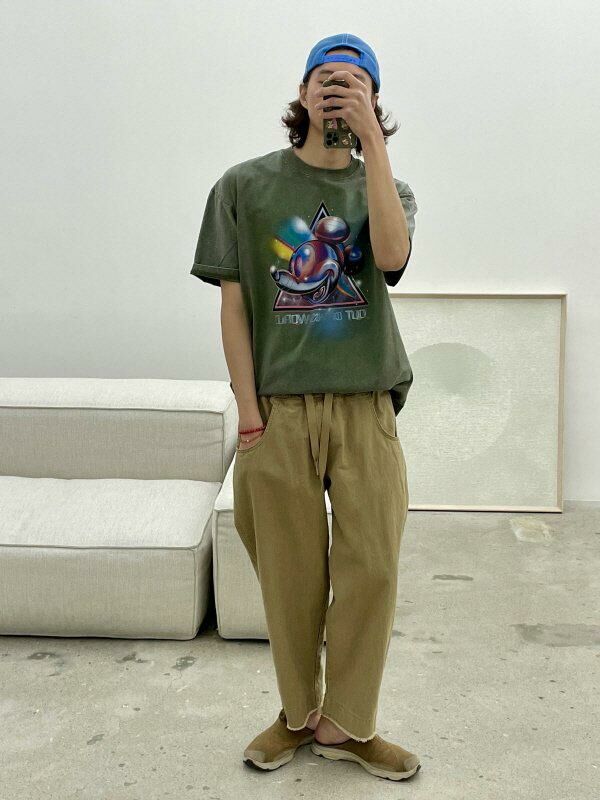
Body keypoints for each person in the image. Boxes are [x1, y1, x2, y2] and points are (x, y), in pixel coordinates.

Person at [190, 33, 421, 782]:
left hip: (365, 403)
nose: (337, 88)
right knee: (289, 575)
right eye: (325, 76)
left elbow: (390, 260)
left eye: (356, 82)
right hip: (278, 410)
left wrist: (372, 149)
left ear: (375, 101)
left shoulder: (389, 190)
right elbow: (233, 307)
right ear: (301, 92)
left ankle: (347, 724)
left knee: (372, 569)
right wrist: (247, 409)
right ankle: (296, 714)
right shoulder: (243, 186)